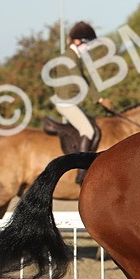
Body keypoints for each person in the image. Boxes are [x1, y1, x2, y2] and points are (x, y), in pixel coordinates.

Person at [53, 21, 104, 183]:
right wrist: (98, 98)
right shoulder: (70, 58)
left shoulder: (75, 56)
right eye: (87, 44)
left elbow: (85, 81)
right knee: (88, 131)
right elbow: (80, 80)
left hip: (71, 101)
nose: (88, 48)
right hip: (66, 103)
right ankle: (81, 171)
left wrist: (98, 98)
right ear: (77, 41)